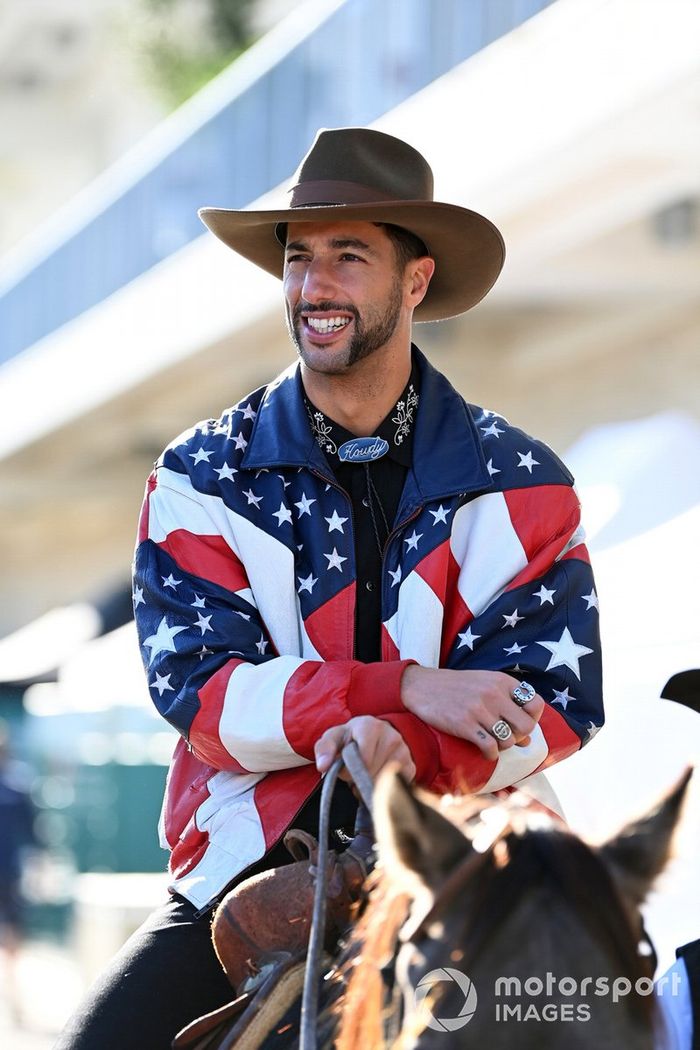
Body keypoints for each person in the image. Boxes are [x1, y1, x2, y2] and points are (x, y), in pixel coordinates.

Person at [56, 127, 603, 1048]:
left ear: (415, 281)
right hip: (252, 861)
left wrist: (404, 747)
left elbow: (555, 704)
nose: (315, 286)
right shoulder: (200, 478)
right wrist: (404, 690)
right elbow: (204, 695)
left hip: (467, 847)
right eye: (300, 258)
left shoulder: (525, 481)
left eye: (349, 256)